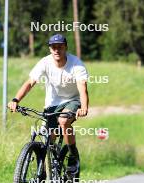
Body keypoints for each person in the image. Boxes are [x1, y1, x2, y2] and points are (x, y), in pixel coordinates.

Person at [8, 34, 89, 174]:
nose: (57, 50)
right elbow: (30, 82)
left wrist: (84, 107)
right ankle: (43, 178)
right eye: (53, 47)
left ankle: (72, 156)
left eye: (60, 47)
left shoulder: (76, 64)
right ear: (50, 49)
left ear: (66, 48)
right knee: (49, 139)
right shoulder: (45, 62)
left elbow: (82, 88)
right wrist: (16, 100)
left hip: (72, 100)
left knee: (63, 121)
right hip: (52, 104)